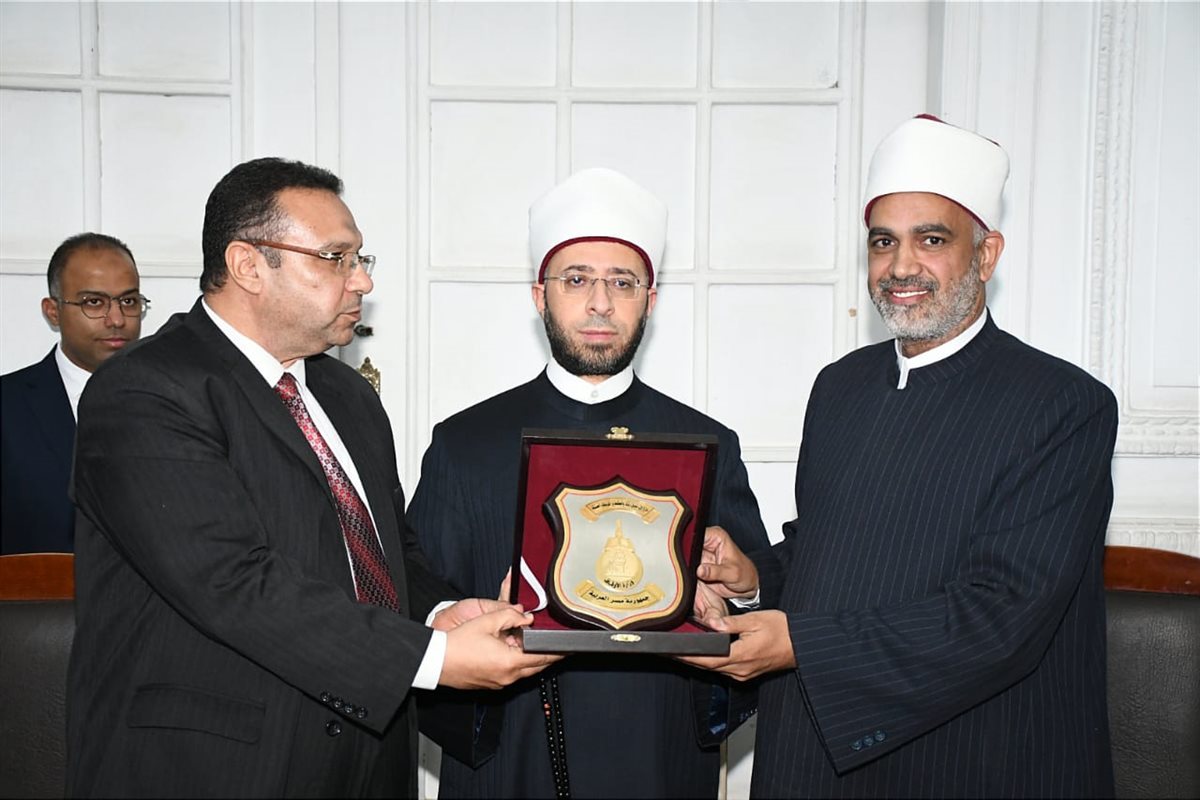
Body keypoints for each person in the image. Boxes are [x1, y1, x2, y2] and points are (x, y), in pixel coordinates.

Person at [66, 157, 556, 798]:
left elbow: (384, 554)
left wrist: (441, 613)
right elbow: (230, 581)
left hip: (368, 759)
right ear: (248, 265)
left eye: (360, 258)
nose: (362, 281)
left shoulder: (348, 395)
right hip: (214, 768)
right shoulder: (144, 391)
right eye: (335, 258)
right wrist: (431, 659)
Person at [685, 115, 1119, 797]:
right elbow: (825, 552)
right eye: (883, 241)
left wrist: (799, 644)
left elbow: (1004, 613)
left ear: (986, 254)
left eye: (932, 240)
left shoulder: (1062, 404)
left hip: (974, 758)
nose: (901, 266)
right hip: (813, 754)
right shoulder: (841, 386)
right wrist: (752, 580)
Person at [407, 167, 773, 798]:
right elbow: (415, 583)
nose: (600, 303)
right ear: (539, 295)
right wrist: (459, 618)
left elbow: (756, 597)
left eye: (622, 283)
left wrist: (741, 592)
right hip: (512, 749)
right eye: (576, 279)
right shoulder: (464, 441)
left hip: (657, 750)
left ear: (650, 300)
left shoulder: (706, 443)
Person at [1, 232, 145, 554]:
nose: (117, 319)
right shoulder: (8, 408)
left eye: (128, 301)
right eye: (94, 302)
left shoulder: (180, 402)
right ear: (53, 311)